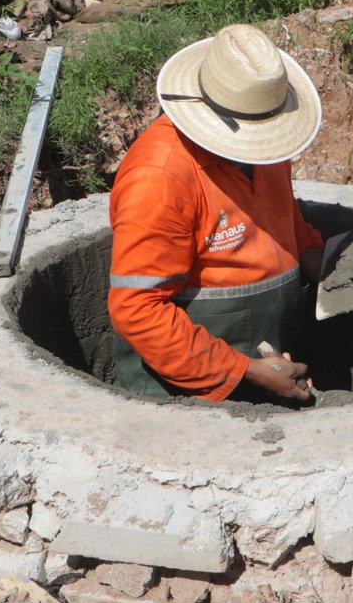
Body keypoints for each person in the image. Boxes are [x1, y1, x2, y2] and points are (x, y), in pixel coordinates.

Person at [108, 24, 324, 403]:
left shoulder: (265, 150)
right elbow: (137, 311)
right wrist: (248, 371)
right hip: (188, 393)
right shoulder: (160, 178)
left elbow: (283, 218)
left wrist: (315, 258)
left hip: (273, 357)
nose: (265, 146)